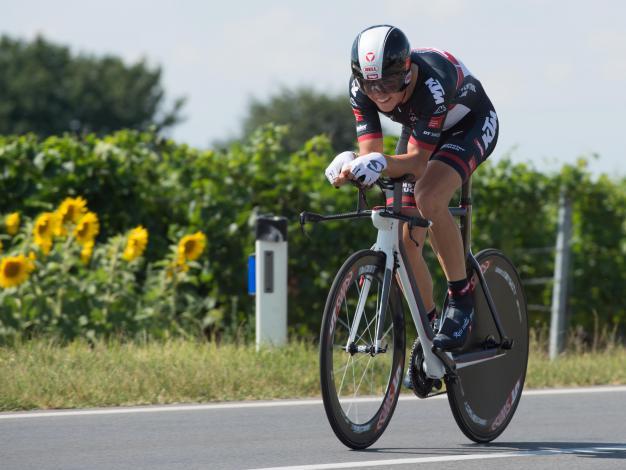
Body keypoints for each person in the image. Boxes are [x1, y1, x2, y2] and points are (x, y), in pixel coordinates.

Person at [325, 25, 499, 354]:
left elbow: (418, 164)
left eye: (388, 84)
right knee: (404, 243)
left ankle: (461, 300)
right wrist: (348, 165)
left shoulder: (432, 84)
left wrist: (376, 162)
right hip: (419, 127)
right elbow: (372, 155)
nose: (379, 94)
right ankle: (431, 327)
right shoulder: (360, 87)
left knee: (429, 198)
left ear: (406, 72)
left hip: (469, 125)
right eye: (369, 84)